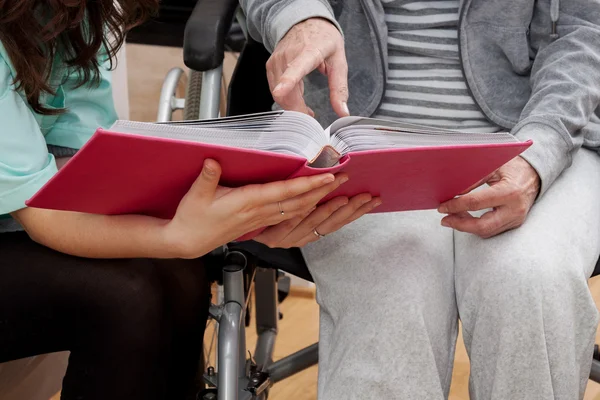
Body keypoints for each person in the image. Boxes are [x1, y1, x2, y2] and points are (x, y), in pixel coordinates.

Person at [0, 1, 381, 399]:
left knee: (179, 275)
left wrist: (246, 219)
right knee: (125, 294)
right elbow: (43, 214)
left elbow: (81, 170)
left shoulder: (68, 14)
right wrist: (178, 237)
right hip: (24, 221)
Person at [240, 0, 600, 399]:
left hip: (539, 129)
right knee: (391, 289)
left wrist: (538, 157)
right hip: (357, 141)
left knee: (530, 278)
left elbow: (585, 30)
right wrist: (301, 16)